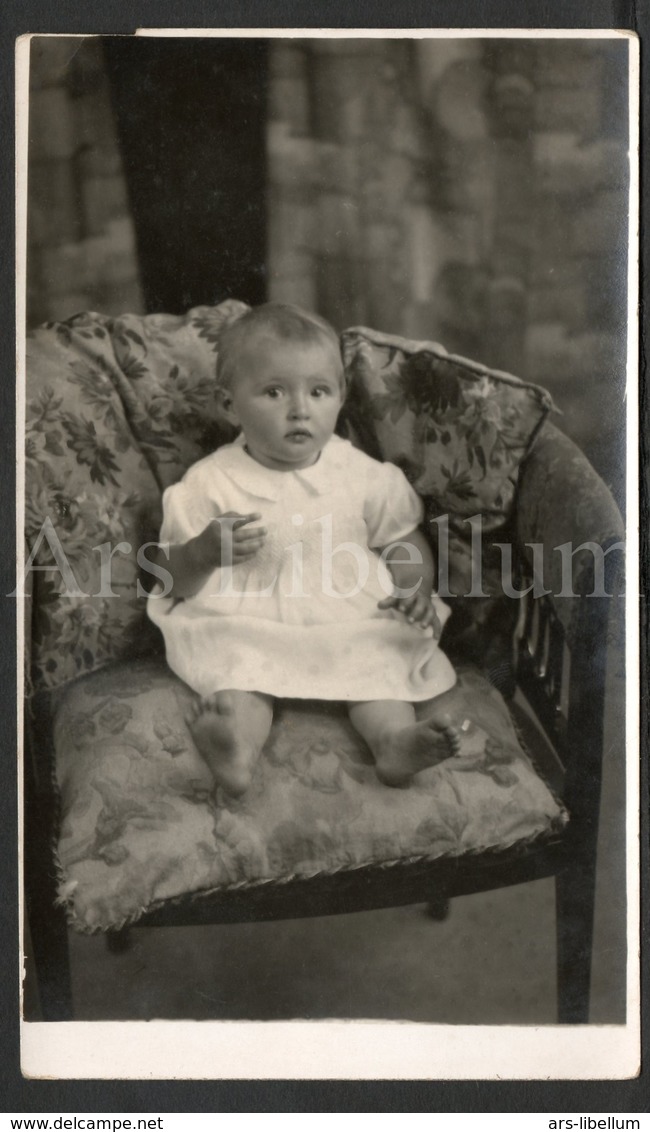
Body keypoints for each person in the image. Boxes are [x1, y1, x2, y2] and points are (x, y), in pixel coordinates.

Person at [148, 302, 462, 797]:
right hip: (251, 614)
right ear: (230, 405)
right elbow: (169, 580)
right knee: (239, 668)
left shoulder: (359, 472)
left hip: (350, 610)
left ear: (340, 399)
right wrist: (203, 553)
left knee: (380, 659)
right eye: (274, 392)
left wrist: (415, 588)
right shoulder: (211, 482)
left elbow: (400, 540)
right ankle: (236, 751)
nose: (300, 409)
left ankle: (393, 744)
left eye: (319, 392)